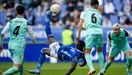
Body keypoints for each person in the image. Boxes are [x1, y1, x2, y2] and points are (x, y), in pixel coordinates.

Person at [28, 11, 86, 75]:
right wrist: (84, 62)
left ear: (79, 45)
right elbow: (84, 56)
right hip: (59, 49)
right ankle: (38, 69)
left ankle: (48, 16)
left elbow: (73, 67)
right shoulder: (81, 52)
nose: (77, 42)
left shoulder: (76, 55)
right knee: (44, 48)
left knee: (48, 35)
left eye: (78, 42)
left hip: (57, 52)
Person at [0, 4, 36, 75]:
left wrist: (0, 44)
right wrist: (33, 41)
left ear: (16, 11)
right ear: (24, 12)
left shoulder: (11, 21)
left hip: (10, 45)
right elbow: (32, 35)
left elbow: (2, 33)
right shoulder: (26, 22)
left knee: (21, 63)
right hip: (19, 46)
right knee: (17, 68)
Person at [77, 0, 104, 75]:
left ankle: (91, 69)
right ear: (96, 5)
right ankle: (102, 70)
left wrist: (78, 36)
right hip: (99, 32)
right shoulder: (99, 13)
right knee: (100, 51)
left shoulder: (84, 12)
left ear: (90, 4)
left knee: (87, 52)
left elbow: (79, 25)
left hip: (90, 32)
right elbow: (99, 23)